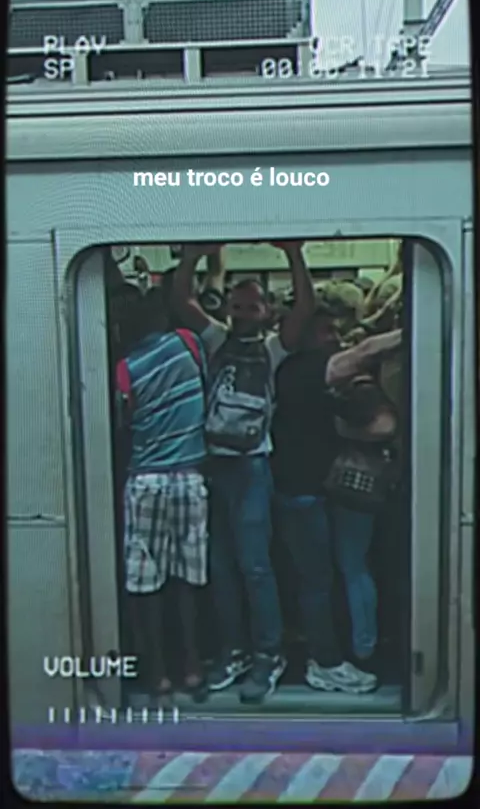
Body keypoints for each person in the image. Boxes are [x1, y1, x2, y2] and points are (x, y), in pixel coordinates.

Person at [173, 241, 315, 703]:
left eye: (251, 307)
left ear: (266, 311)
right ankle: (233, 652)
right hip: (214, 463)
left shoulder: (273, 348)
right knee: (221, 566)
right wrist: (191, 259)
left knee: (255, 566)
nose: (241, 314)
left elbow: (305, 309)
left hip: (253, 465)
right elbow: (181, 302)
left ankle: (267, 655)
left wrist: (295, 255)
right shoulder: (216, 339)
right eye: (236, 306)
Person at [271, 303, 378, 693]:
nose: (334, 339)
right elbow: (362, 356)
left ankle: (324, 653)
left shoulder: (307, 375)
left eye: (336, 331)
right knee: (315, 582)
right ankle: (325, 663)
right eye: (325, 332)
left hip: (309, 489)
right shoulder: (299, 370)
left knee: (318, 579)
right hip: (299, 491)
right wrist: (405, 332)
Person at [116, 286, 209, 702]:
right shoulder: (188, 344)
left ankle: (157, 675)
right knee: (187, 578)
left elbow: (124, 421)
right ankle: (192, 667)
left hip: (146, 480)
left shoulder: (124, 367)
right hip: (189, 478)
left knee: (145, 581)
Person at [324, 328, 402, 667]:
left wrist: (340, 428)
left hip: (357, 491)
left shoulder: (363, 386)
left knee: (353, 565)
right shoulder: (388, 379)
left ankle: (364, 646)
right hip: (381, 485)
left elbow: (385, 426)